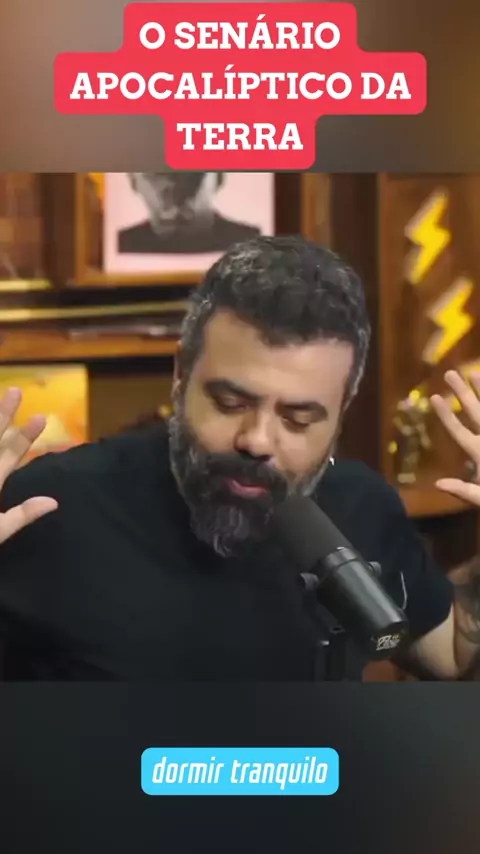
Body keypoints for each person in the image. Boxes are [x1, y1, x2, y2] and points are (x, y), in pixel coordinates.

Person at [0, 235, 477, 681]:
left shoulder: (362, 507)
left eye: (298, 419)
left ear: (342, 409)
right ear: (181, 375)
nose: (257, 440)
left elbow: (456, 656)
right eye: (230, 403)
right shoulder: (48, 508)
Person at [117, 172, 261, 255]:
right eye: (157, 174)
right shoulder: (120, 244)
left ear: (219, 177)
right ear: (133, 181)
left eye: (191, 173)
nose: (174, 187)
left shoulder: (253, 243)